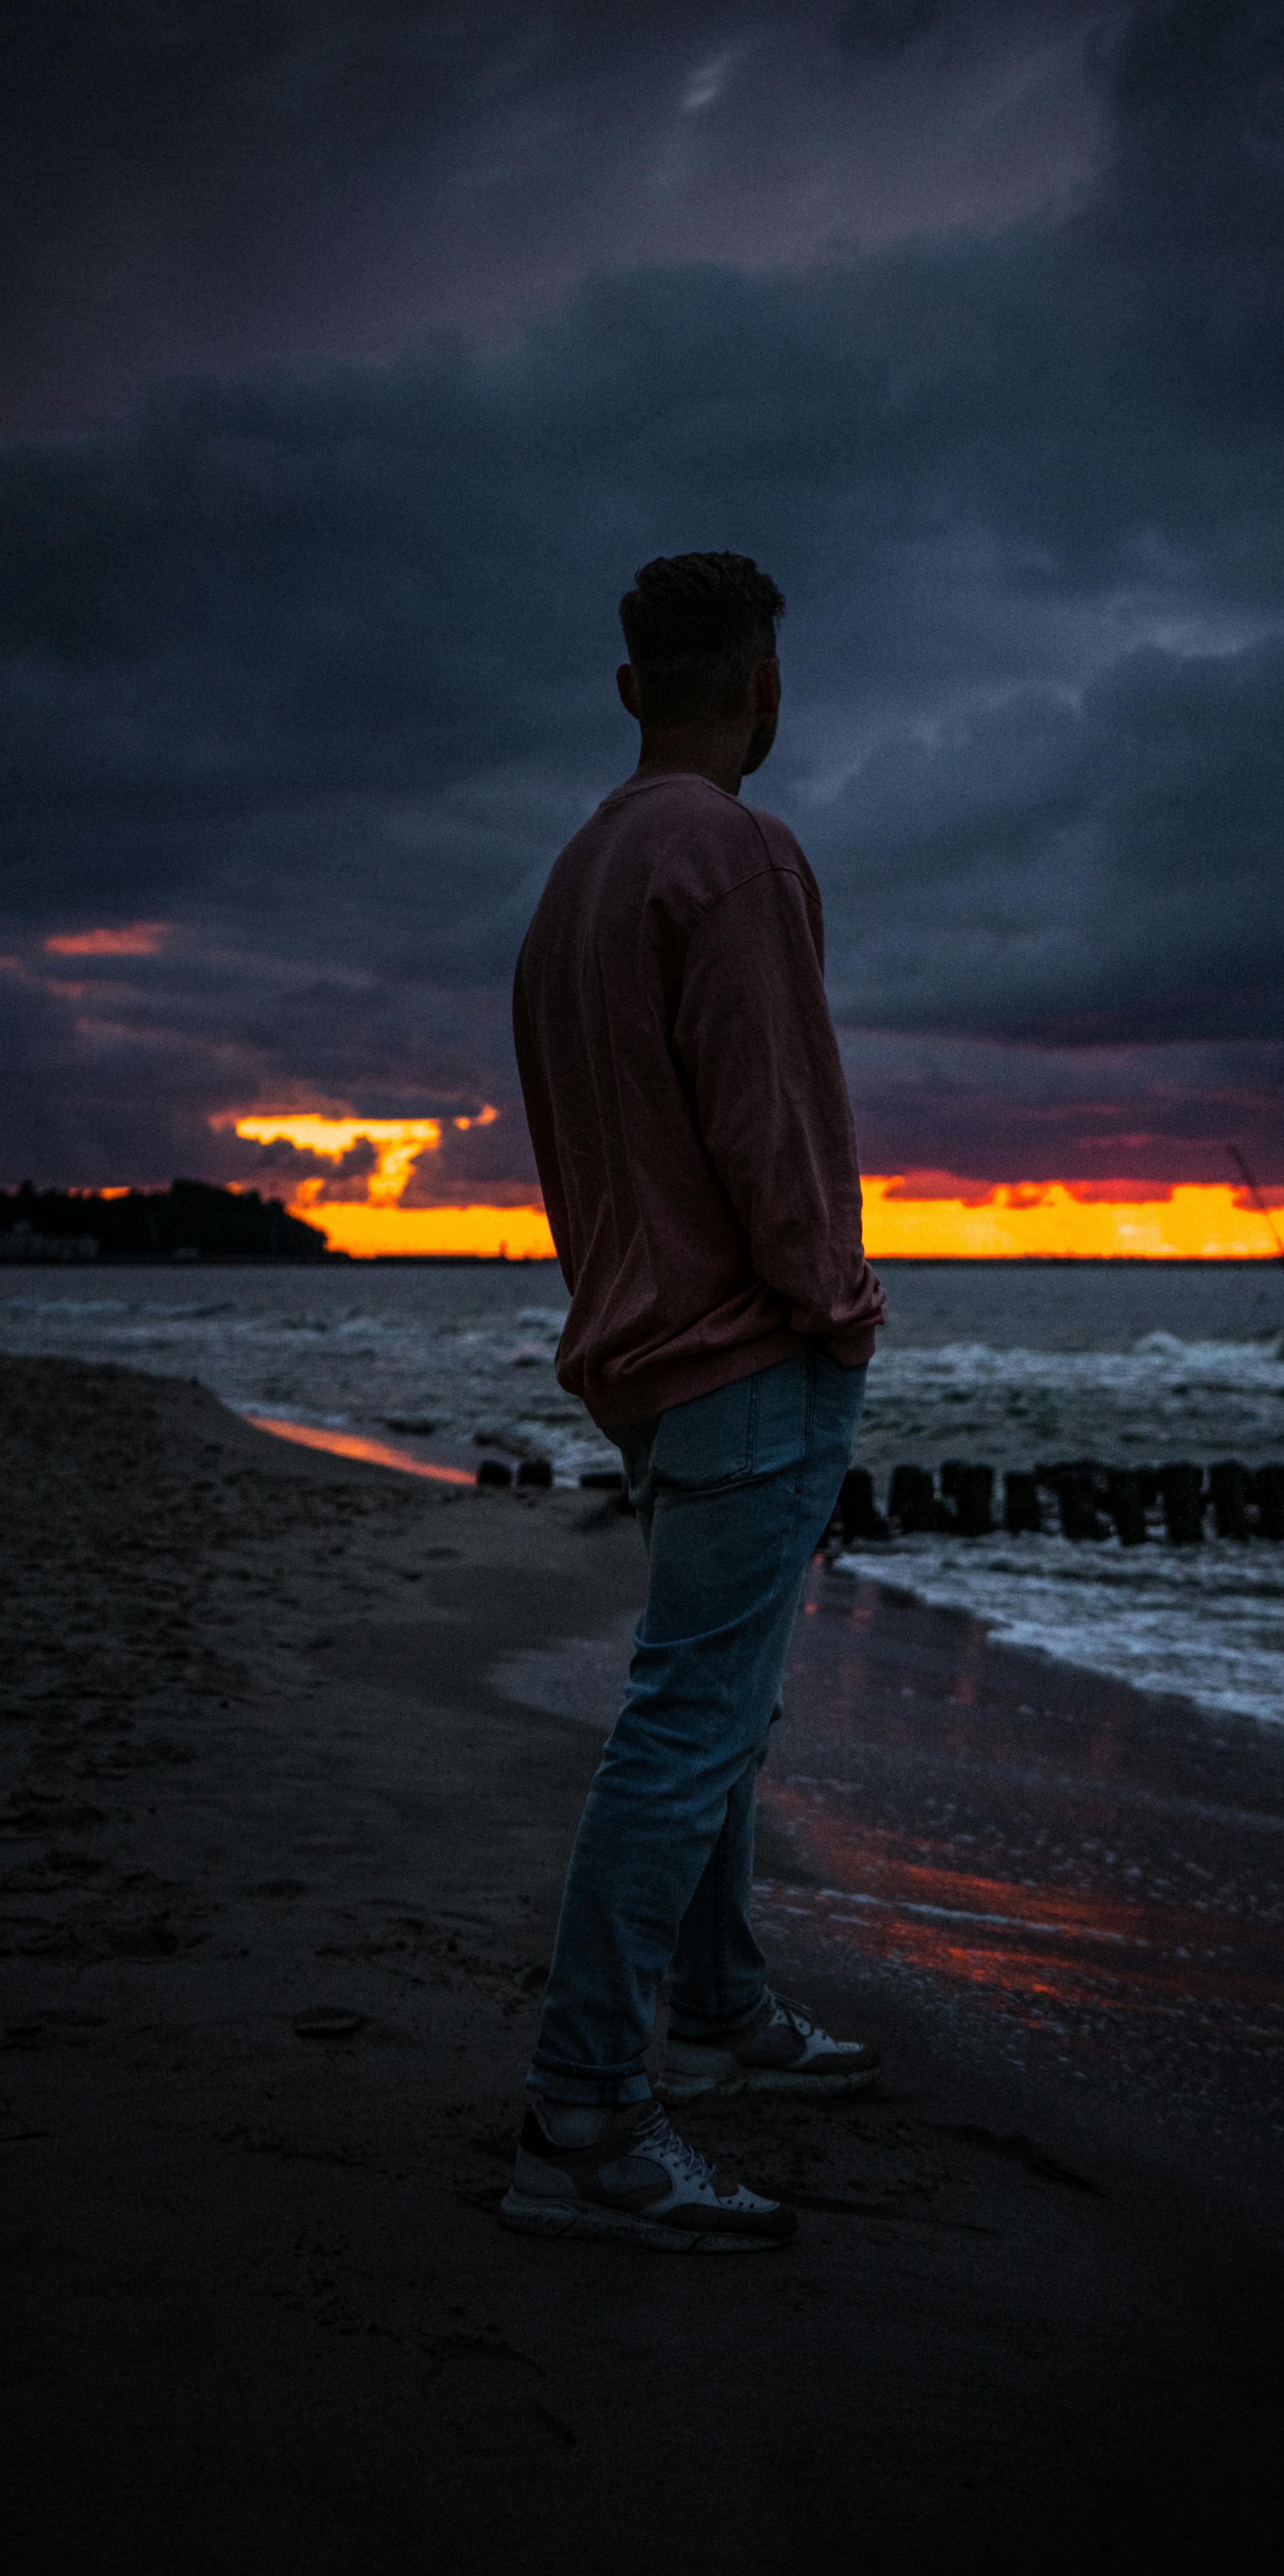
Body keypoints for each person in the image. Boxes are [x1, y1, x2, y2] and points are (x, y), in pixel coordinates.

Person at [502, 552, 887, 2252]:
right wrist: (836, 1305)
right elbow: (772, 1115)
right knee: (686, 1733)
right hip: (743, 1353)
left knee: (719, 1714)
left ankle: (722, 2005)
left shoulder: (578, 874)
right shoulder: (732, 854)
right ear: (765, 687)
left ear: (630, 685)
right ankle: (583, 2119)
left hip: (645, 1362)